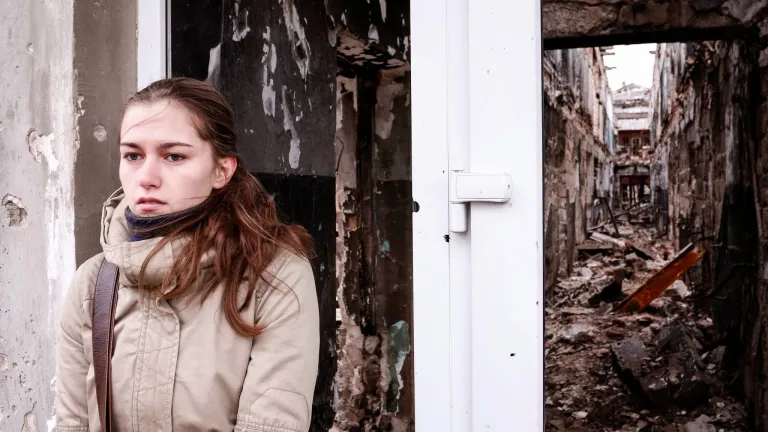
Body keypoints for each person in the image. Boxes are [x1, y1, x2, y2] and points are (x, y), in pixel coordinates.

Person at [55, 77, 320, 431]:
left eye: (174, 156)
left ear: (221, 170)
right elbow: (72, 424)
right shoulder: (94, 282)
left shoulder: (273, 273)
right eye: (133, 155)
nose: (146, 177)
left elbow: (273, 425)